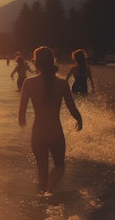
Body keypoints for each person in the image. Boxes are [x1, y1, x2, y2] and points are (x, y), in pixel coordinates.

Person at [18, 46, 82, 194]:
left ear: (35, 63)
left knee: (42, 173)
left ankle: (42, 203)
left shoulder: (28, 83)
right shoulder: (62, 84)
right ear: (52, 61)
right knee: (59, 166)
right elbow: (72, 108)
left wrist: (22, 121)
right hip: (55, 131)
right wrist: (79, 119)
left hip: (38, 132)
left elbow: (21, 113)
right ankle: (50, 189)